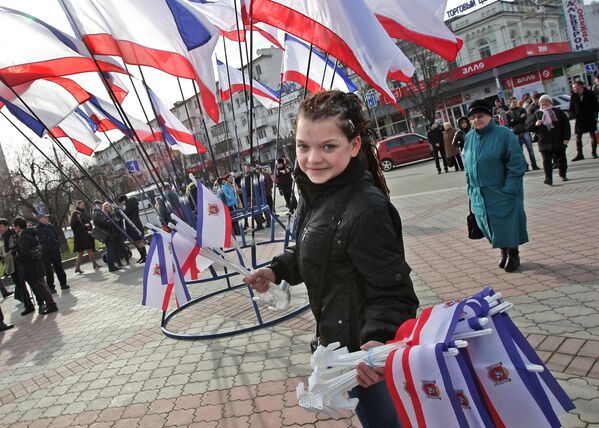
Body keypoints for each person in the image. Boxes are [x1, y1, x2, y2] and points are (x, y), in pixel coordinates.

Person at [243, 90, 418, 427]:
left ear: (354, 146)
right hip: (341, 348)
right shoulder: (317, 192)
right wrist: (276, 270)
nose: (312, 159)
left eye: (328, 146)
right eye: (303, 146)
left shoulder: (365, 208)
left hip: (364, 355)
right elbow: (316, 249)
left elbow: (393, 291)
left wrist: (378, 345)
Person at [463, 99, 528, 273]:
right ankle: (503, 250)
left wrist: (510, 189)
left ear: (489, 116)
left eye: (481, 116)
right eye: (473, 117)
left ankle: (513, 253)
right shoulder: (469, 137)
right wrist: (470, 188)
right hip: (480, 193)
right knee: (490, 225)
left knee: (507, 223)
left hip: (501, 190)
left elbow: (517, 164)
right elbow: (468, 165)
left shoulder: (504, 134)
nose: (477, 120)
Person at [12, 217, 58, 314]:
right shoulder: (31, 233)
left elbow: (25, 254)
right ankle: (50, 304)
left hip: (31, 266)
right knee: (42, 285)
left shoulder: (24, 237)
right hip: (37, 264)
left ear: (18, 227)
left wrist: (16, 256)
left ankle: (51, 305)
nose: (14, 229)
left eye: (14, 227)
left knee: (40, 286)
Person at [527, 95, 570, 185]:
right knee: (546, 161)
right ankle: (548, 179)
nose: (544, 103)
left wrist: (566, 138)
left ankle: (563, 174)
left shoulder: (558, 111)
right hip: (544, 142)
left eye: (546, 101)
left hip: (558, 140)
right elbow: (528, 127)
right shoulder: (537, 114)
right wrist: (535, 124)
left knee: (561, 159)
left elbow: (566, 125)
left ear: (551, 102)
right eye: (542, 102)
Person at [0, 218, 35, 314]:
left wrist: (7, 254)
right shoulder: (1, 238)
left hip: (17, 263)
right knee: (19, 285)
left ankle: (30, 305)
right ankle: (27, 304)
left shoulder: (13, 235)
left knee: (24, 284)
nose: (0, 229)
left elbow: (15, 248)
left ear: (7, 226)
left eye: (2, 226)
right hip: (9, 265)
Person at [36, 213, 69, 292]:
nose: (47, 219)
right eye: (45, 218)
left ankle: (63, 283)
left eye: (47, 217)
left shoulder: (50, 227)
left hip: (55, 250)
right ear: (40, 219)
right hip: (45, 253)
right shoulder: (37, 229)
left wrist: (57, 246)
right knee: (48, 270)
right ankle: (51, 286)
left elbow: (56, 236)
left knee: (59, 267)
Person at [507, 98, 540, 171]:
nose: (515, 103)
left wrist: (514, 120)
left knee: (530, 149)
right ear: (510, 103)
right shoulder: (508, 113)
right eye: (513, 102)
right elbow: (510, 123)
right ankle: (525, 166)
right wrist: (518, 119)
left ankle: (534, 165)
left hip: (525, 131)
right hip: (516, 133)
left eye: (516, 102)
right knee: (520, 151)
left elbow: (524, 118)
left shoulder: (521, 109)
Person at [569, 80, 599, 161]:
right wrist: (574, 115)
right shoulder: (573, 96)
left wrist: (596, 116)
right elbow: (571, 108)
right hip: (579, 119)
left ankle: (594, 153)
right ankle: (580, 154)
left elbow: (596, 106)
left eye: (575, 87)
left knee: (592, 135)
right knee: (578, 137)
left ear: (580, 86)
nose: (573, 89)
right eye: (573, 87)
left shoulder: (590, 93)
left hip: (590, 118)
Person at [117, 194, 147, 263]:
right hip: (133, 225)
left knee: (139, 241)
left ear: (124, 200)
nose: (122, 204)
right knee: (136, 242)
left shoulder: (130, 203)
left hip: (134, 225)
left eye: (122, 202)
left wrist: (119, 211)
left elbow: (126, 213)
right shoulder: (130, 203)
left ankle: (144, 256)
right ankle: (142, 256)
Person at [92, 202, 121, 272]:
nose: (102, 206)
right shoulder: (98, 214)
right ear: (98, 205)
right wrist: (114, 221)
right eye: (100, 204)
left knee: (110, 250)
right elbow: (105, 222)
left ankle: (112, 265)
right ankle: (111, 266)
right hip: (107, 234)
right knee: (110, 250)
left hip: (106, 234)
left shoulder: (96, 213)